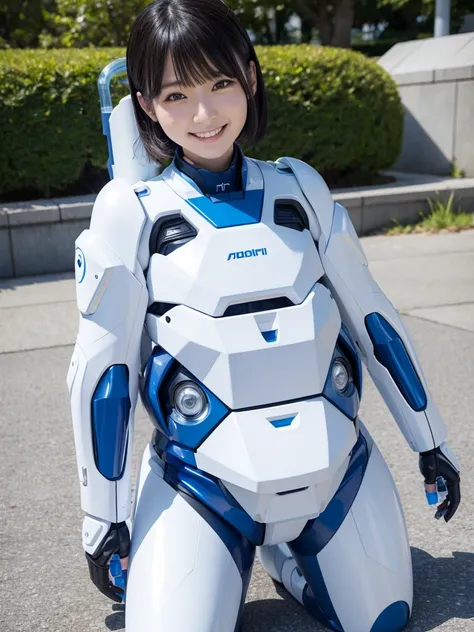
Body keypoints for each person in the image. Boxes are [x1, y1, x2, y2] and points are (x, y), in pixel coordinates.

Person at [67, 1, 461, 631]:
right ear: (145, 105)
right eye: (177, 93)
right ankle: (237, 551)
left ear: (249, 78)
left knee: (382, 620)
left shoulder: (298, 188)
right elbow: (102, 369)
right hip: (202, 483)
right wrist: (103, 517)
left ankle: (286, 555)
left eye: (221, 83)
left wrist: (431, 443)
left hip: (335, 466)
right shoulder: (132, 213)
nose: (204, 113)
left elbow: (373, 321)